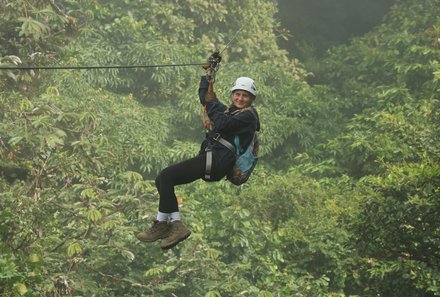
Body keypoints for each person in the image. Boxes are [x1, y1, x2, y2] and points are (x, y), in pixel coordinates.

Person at [136, 67, 261, 250]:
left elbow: (222, 122)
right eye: (237, 94)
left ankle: (175, 226)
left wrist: (211, 103)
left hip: (219, 159)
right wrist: (208, 77)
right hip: (213, 156)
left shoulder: (249, 116)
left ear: (251, 99)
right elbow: (205, 98)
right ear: (233, 94)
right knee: (162, 180)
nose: (240, 99)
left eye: (245, 96)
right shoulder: (229, 110)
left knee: (167, 176)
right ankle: (164, 223)